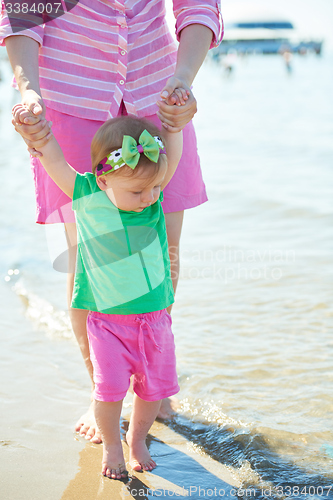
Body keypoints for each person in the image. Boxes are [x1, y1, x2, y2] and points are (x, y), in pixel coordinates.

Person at [1, 0, 223, 441]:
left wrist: (182, 79)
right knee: (85, 262)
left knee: (161, 255)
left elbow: (198, 6)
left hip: (160, 98)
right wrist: (28, 90)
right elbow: (22, 9)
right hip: (70, 100)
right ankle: (104, 389)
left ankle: (148, 383)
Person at [13, 104, 183, 478]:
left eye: (156, 186)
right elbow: (55, 161)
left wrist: (176, 124)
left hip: (155, 319)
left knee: (153, 392)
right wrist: (38, 135)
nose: (152, 197)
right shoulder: (86, 194)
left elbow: (174, 154)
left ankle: (137, 439)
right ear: (104, 181)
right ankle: (111, 446)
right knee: (108, 394)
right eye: (139, 190)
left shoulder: (152, 199)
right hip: (107, 324)